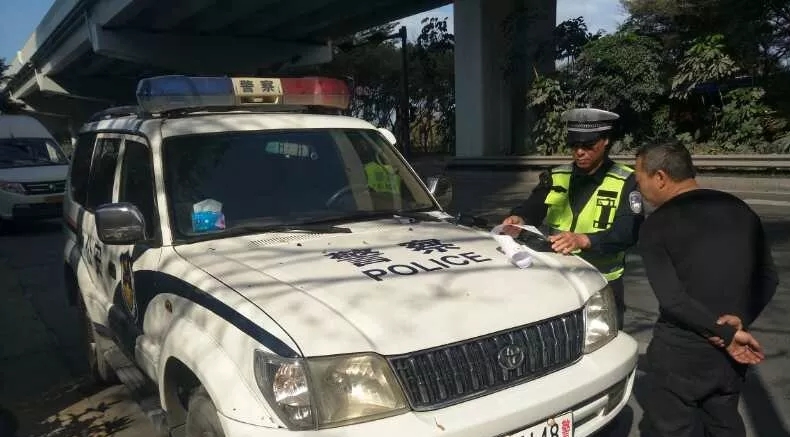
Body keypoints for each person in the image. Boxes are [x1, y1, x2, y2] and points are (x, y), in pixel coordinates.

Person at [634, 141, 777, 437]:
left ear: (660, 177)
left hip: (680, 353)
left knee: (673, 428)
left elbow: (673, 300)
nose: (640, 188)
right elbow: (768, 278)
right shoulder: (740, 210)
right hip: (727, 359)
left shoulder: (656, 225)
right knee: (724, 424)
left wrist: (723, 333)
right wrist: (739, 320)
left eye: (640, 179)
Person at [501, 107, 643, 330]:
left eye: (588, 145)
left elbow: (629, 231)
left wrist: (584, 240)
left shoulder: (627, 181)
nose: (579, 152)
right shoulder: (557, 175)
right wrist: (519, 217)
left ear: (605, 141)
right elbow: (533, 207)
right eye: (574, 145)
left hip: (602, 283)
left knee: (604, 342)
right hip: (558, 279)